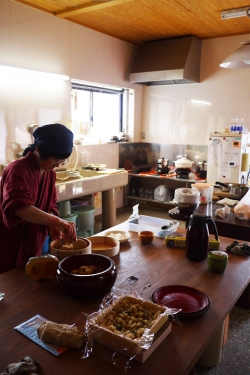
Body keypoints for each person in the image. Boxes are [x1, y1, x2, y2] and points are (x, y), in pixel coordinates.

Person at [0, 123, 77, 273]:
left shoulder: (50, 173)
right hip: (9, 240)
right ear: (39, 150)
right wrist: (57, 221)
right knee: (8, 283)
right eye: (55, 160)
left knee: (28, 278)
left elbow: (50, 205)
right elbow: (19, 208)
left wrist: (53, 226)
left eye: (62, 161)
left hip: (32, 240)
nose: (57, 165)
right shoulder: (17, 169)